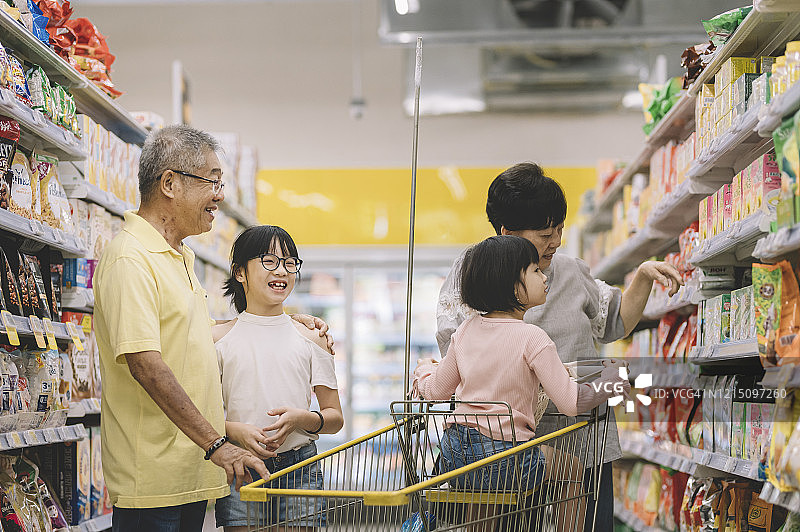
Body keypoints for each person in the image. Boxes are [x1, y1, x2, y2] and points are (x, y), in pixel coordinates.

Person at [94, 125, 330, 532]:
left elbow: (202, 334)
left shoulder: (179, 256)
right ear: (170, 183)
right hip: (153, 481)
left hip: (190, 473)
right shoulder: (131, 259)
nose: (219, 195)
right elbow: (145, 365)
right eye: (212, 182)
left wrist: (284, 322)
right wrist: (217, 443)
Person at [436, 162, 683, 530]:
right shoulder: (472, 277)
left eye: (559, 229)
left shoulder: (570, 271)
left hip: (581, 441)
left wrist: (643, 276)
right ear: (507, 232)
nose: (555, 241)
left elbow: (616, 320)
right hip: (505, 445)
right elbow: (458, 363)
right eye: (543, 233)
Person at [416, 235, 629, 532]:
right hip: (508, 461)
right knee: (571, 470)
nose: (544, 278)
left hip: (457, 459)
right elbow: (569, 402)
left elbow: (437, 390)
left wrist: (423, 372)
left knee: (484, 493)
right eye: (534, 271)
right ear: (512, 285)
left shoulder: (464, 332)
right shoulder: (533, 338)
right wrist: (610, 383)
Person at [213, 225, 344, 531]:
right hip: (239, 463)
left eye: (289, 262)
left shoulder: (313, 337)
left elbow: (335, 417)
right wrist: (234, 430)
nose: (282, 271)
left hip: (300, 465)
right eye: (269, 261)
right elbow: (196, 416)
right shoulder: (217, 338)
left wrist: (302, 419)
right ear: (240, 273)